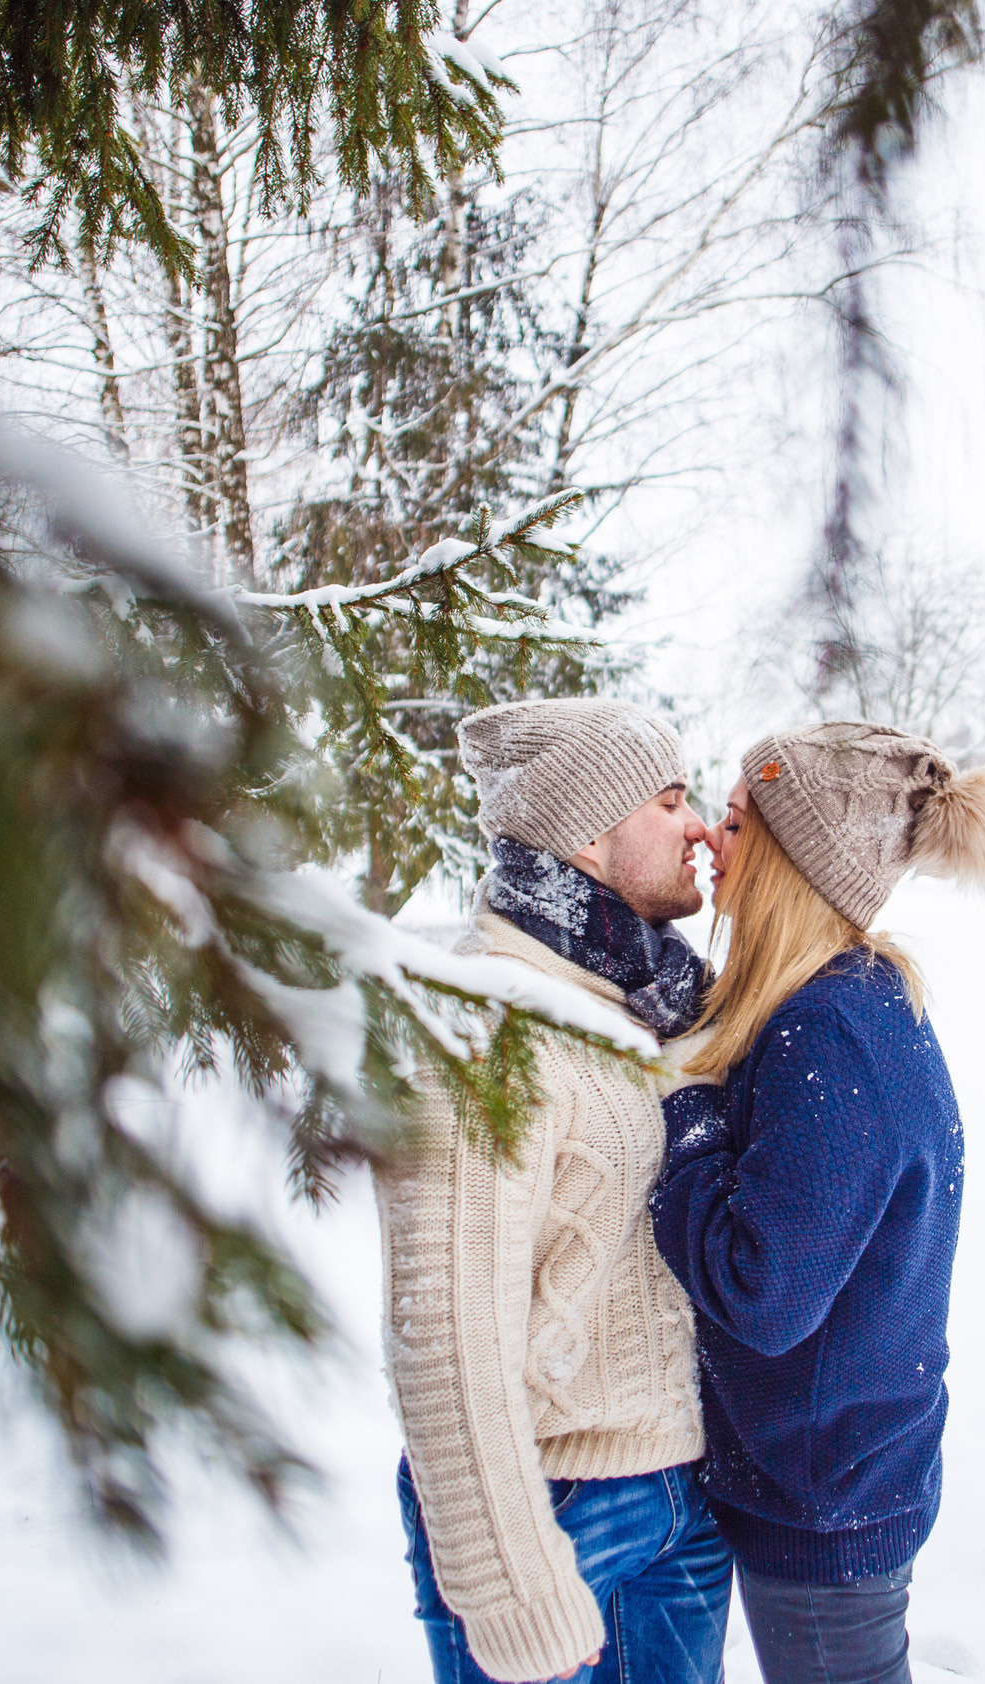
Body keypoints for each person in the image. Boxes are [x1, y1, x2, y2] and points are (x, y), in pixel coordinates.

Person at [648, 721, 985, 1684]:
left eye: (736, 822)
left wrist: (684, 1112)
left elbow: (763, 1293)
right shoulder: (837, 1002)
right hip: (840, 1479)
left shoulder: (830, 1038)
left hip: (822, 1510)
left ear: (788, 854)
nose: (709, 838)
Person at [378, 697, 733, 1684]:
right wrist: (514, 1585)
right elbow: (442, 1336)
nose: (701, 824)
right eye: (669, 800)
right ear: (587, 830)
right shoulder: (486, 1021)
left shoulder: (645, 997)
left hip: (680, 1496)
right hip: (552, 1509)